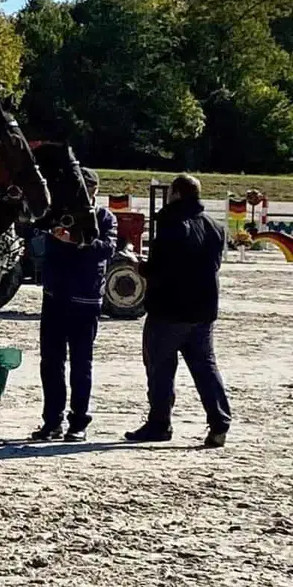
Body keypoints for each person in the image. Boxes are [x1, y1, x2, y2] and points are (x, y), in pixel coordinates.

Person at [125, 174, 231, 447]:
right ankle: (219, 423)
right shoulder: (215, 227)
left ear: (176, 193)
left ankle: (160, 424)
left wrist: (139, 266)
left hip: (169, 310)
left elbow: (160, 268)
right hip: (204, 310)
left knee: (160, 368)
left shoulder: (172, 224)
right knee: (206, 367)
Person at [32, 167, 117, 442]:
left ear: (93, 191)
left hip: (85, 299)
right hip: (55, 296)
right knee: (51, 362)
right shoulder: (60, 212)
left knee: (81, 364)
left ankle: (78, 421)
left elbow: (107, 249)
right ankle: (52, 420)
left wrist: (76, 241)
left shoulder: (104, 217)